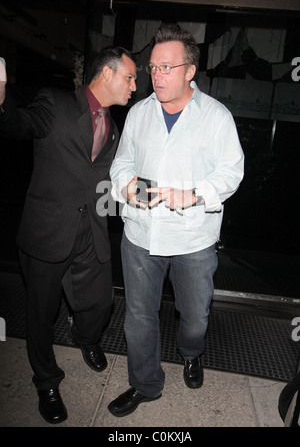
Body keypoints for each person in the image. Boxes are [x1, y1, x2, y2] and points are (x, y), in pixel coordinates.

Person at [108, 24, 244, 417]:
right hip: (140, 233)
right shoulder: (138, 113)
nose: (157, 76)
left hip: (193, 238)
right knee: (138, 317)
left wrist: (196, 193)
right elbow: (122, 164)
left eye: (167, 68)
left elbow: (232, 171)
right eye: (153, 68)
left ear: (189, 71)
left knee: (195, 315)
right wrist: (127, 186)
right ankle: (145, 384)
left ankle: (191, 353)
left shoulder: (216, 117)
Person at [0, 48, 136, 424]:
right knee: (40, 314)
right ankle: (46, 381)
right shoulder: (56, 103)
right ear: (107, 74)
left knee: (100, 302)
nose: (134, 86)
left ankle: (85, 337)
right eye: (130, 77)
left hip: (90, 232)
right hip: (47, 232)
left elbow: (110, 177)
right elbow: (16, 124)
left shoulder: (114, 127)